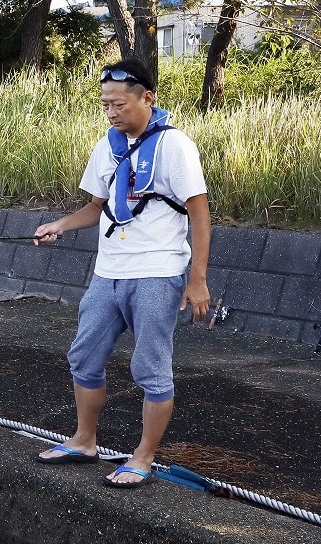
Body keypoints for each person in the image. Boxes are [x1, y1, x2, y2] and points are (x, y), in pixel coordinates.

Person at [33, 59, 211, 487]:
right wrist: (60, 224)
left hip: (157, 272)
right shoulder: (106, 146)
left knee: (151, 366)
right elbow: (97, 207)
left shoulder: (175, 146)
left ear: (147, 98)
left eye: (119, 104)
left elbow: (199, 213)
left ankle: (143, 457)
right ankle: (84, 440)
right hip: (108, 271)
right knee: (84, 355)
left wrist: (197, 279)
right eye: (105, 105)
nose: (111, 112)